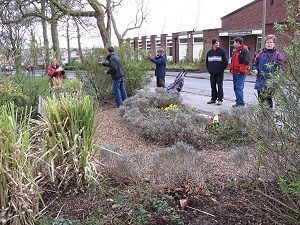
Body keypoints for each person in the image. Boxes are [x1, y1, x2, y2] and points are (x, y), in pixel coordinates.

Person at [252, 34, 285, 108]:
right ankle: (261, 118)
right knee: (261, 102)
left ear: (274, 43)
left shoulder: (278, 55)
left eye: (271, 42)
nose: (269, 44)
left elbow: (281, 67)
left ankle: (268, 118)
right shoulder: (260, 54)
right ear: (265, 43)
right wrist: (255, 70)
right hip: (260, 82)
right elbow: (255, 64)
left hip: (271, 83)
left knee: (269, 102)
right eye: (267, 42)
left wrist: (278, 75)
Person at [206, 38, 229, 105]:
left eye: (218, 42)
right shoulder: (209, 52)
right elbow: (207, 63)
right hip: (212, 73)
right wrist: (209, 70)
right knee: (213, 86)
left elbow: (225, 62)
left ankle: (220, 99)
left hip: (219, 73)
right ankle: (213, 98)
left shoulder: (222, 51)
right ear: (213, 44)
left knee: (219, 86)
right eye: (216, 43)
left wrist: (221, 69)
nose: (217, 44)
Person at [230, 37, 251, 107]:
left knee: (239, 88)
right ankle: (238, 101)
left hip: (240, 73)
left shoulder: (244, 50)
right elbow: (233, 61)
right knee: (236, 88)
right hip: (235, 72)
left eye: (234, 42)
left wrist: (241, 70)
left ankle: (241, 104)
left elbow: (246, 61)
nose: (233, 44)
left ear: (238, 43)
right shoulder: (236, 51)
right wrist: (231, 68)